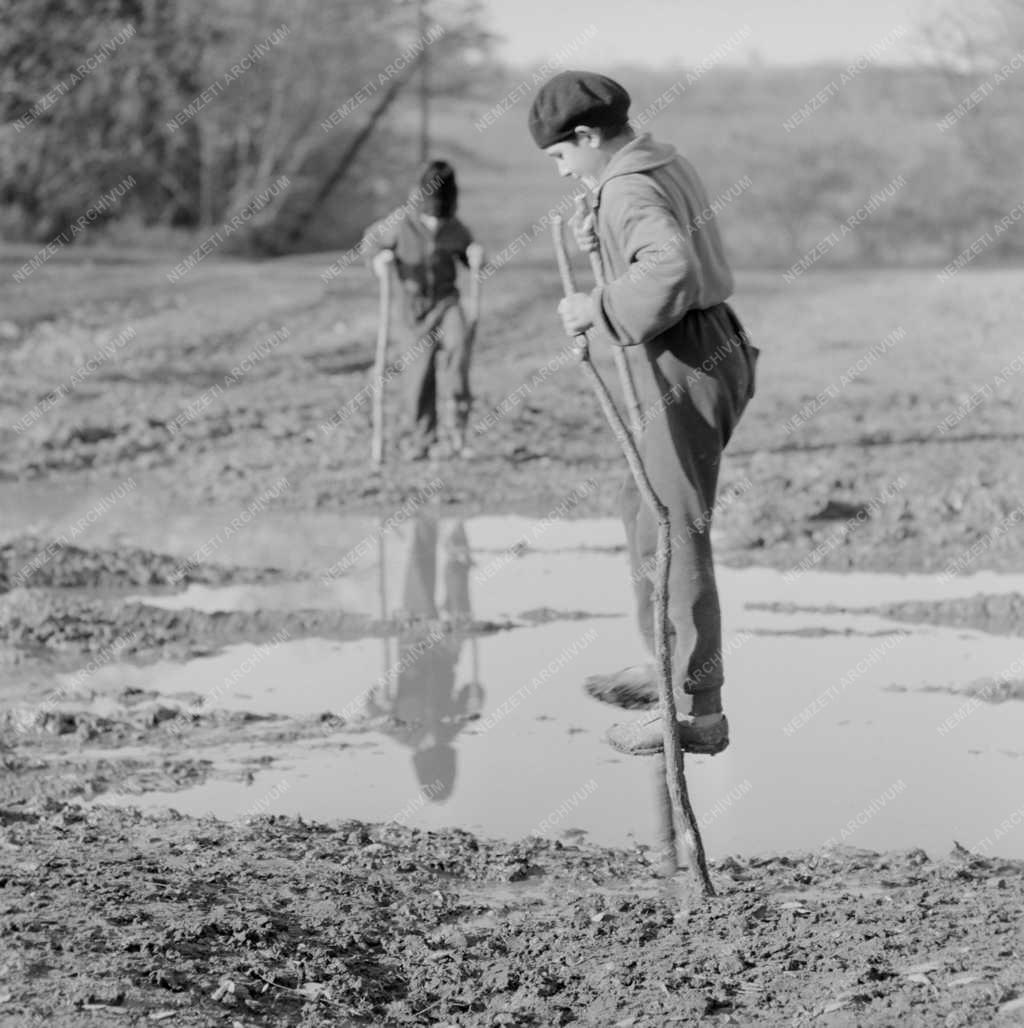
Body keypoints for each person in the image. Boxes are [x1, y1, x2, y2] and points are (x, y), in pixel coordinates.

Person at [528, 70, 759, 756]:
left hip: (686, 359)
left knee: (675, 530)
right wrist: (598, 229)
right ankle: (664, 663)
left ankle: (698, 709)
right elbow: (655, 247)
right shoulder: (652, 162)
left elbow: (669, 266)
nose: (563, 169)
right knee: (642, 508)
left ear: (589, 136)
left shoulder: (626, 186)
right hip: (710, 344)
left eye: (562, 156)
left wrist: (594, 306)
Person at [362, 161, 484, 459]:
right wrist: (380, 260)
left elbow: (469, 254)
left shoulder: (454, 226)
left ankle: (458, 431)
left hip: (446, 302)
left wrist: (475, 256)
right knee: (419, 375)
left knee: (458, 352)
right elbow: (371, 243)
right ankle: (422, 440)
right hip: (412, 310)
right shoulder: (401, 222)